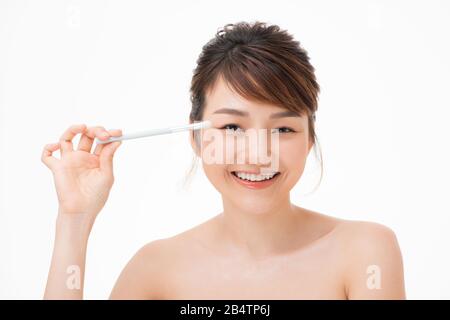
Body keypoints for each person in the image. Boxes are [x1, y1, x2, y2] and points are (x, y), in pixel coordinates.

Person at [41, 21, 406, 299]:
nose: (258, 153)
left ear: (310, 139)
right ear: (196, 137)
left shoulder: (364, 251)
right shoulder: (155, 269)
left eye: (283, 130)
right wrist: (74, 219)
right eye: (233, 126)